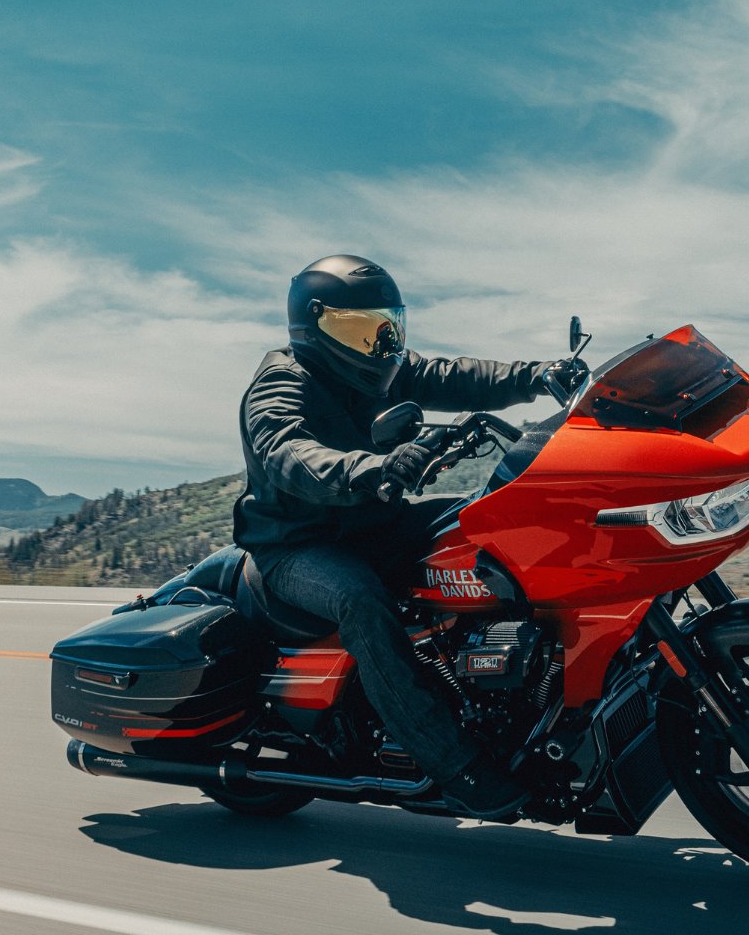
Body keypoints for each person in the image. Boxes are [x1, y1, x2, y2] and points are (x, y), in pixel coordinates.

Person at [234, 254, 566, 820]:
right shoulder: (280, 385)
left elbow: (452, 375)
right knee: (361, 602)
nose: (379, 345)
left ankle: (522, 692)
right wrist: (372, 469)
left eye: (387, 328)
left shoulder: (376, 367)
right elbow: (290, 454)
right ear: (314, 324)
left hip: (373, 525)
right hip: (297, 546)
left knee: (484, 522)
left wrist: (536, 375)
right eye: (360, 330)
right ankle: (453, 763)